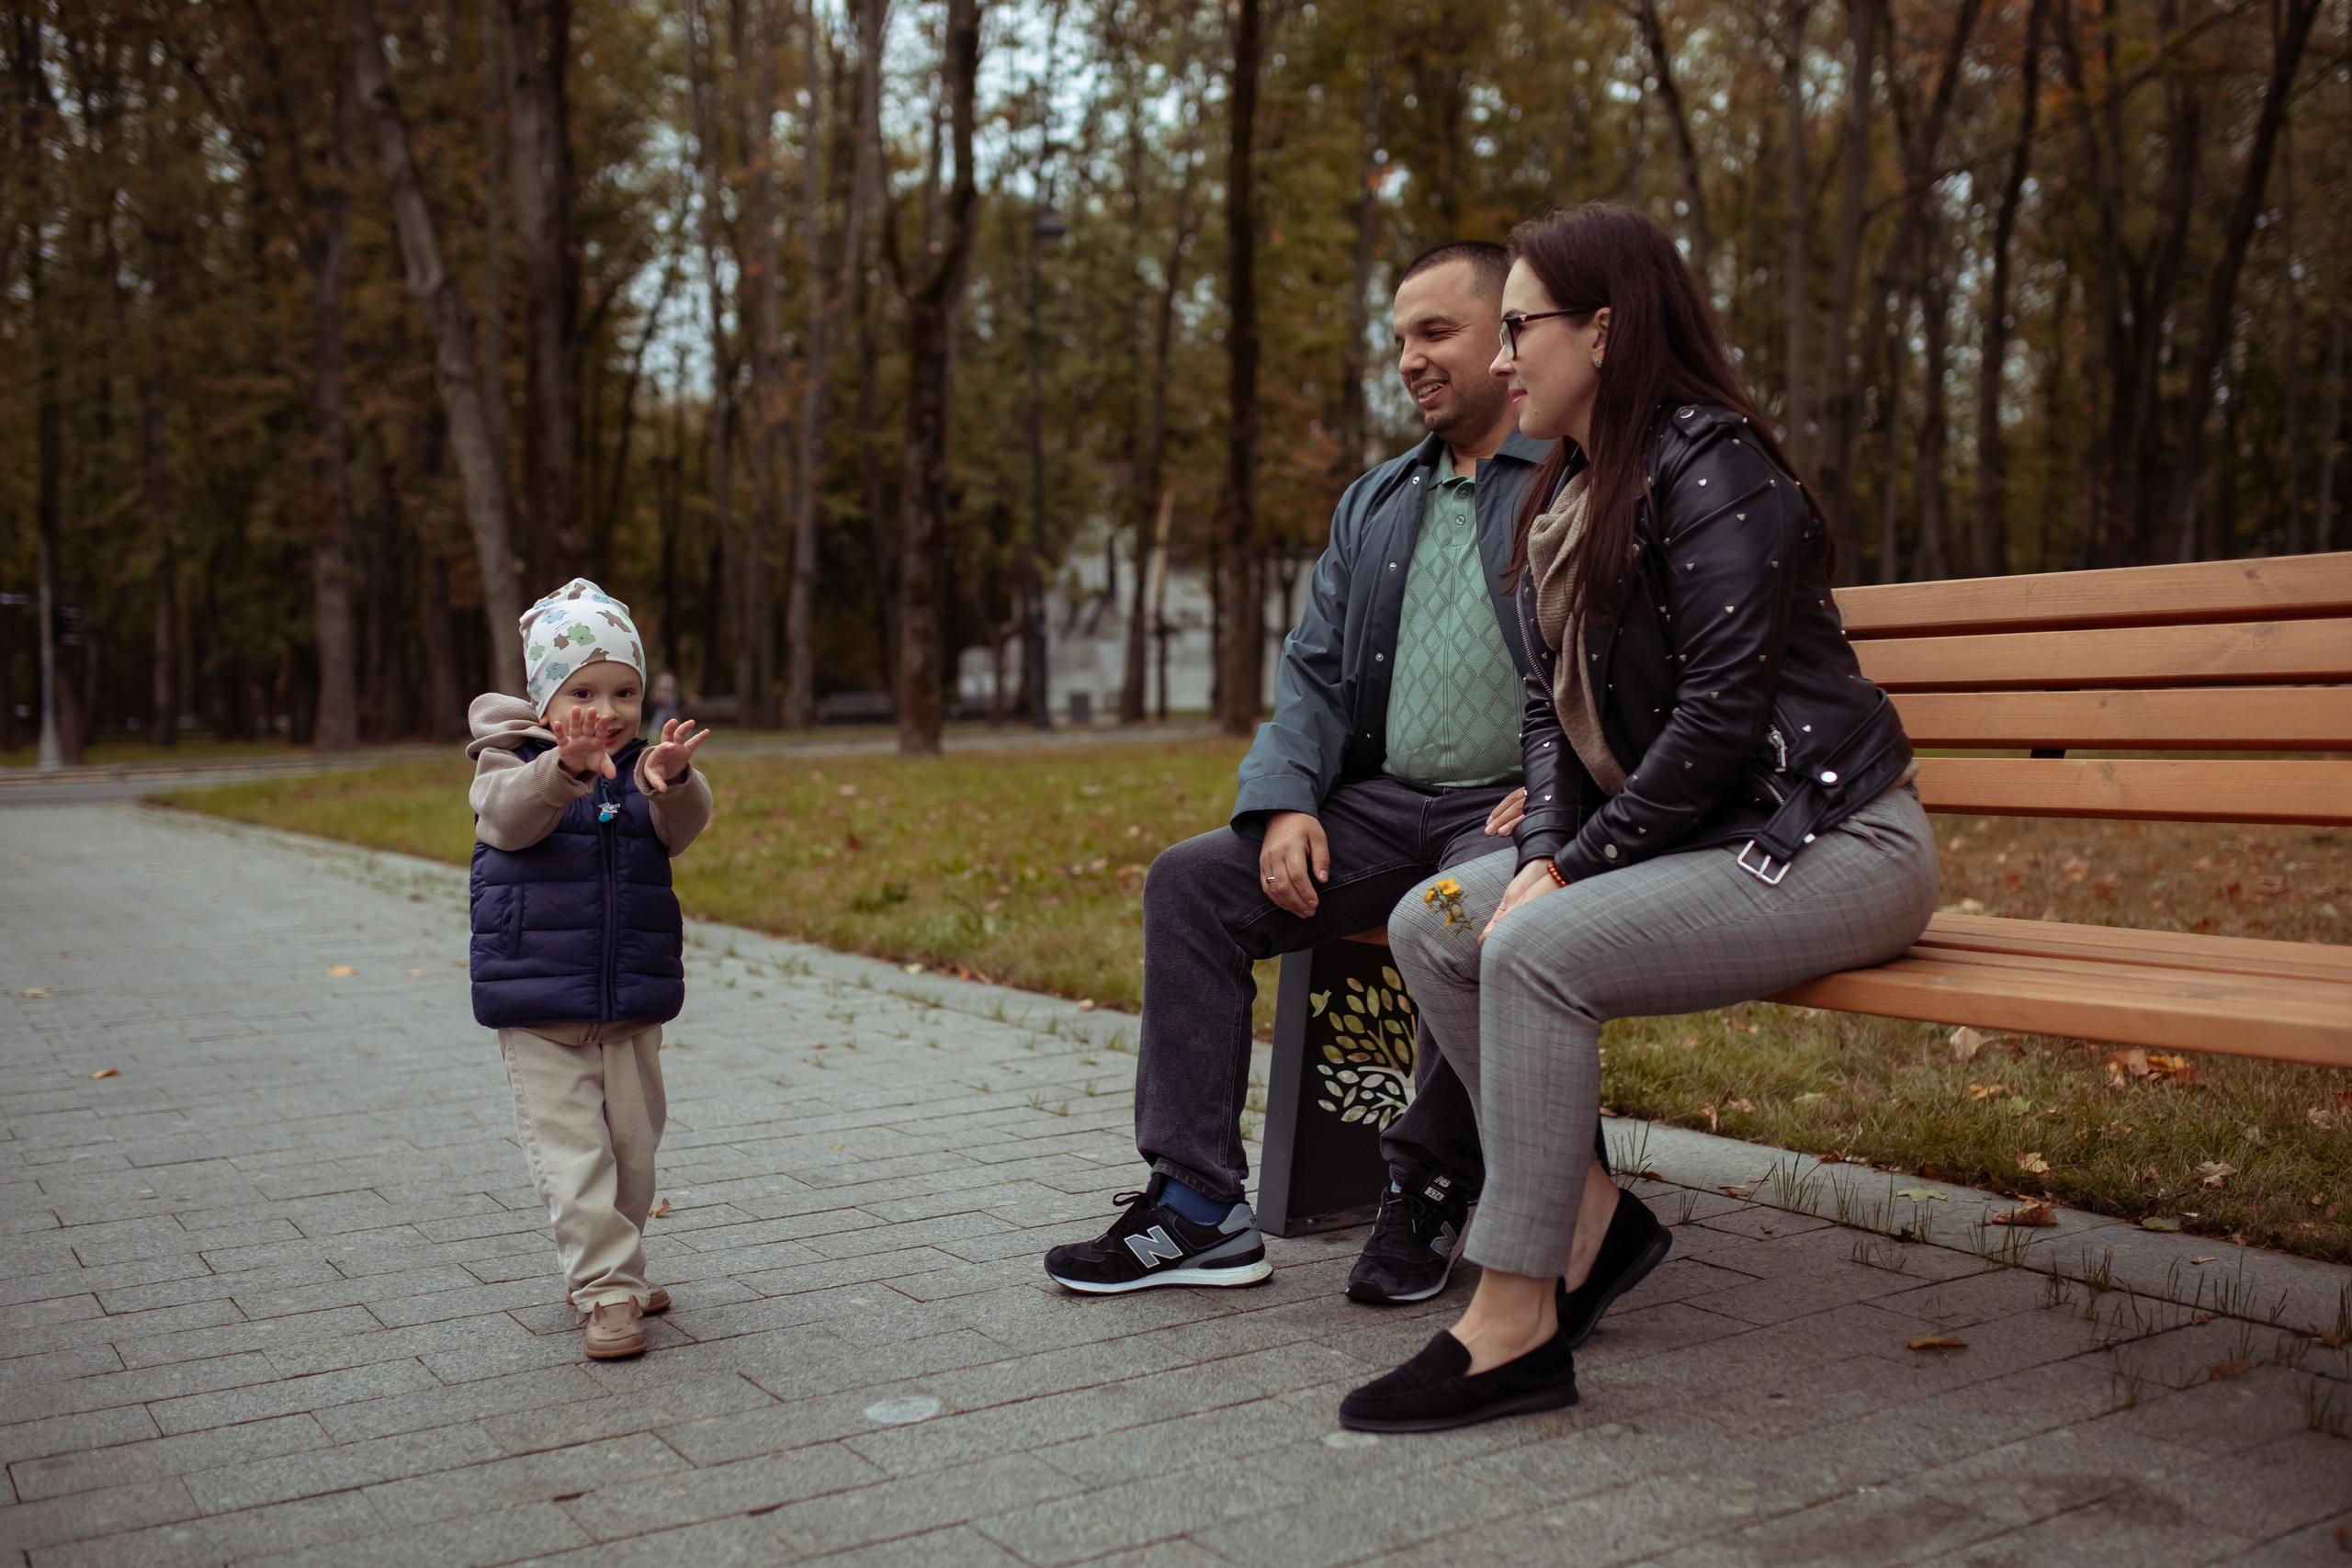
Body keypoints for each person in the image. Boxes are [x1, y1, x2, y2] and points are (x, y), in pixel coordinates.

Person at [1338, 203, 1939, 1433]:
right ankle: (1594, 1223)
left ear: (1604, 331)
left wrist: (1573, 870)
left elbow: (1724, 712)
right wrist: (1550, 846)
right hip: (1704, 832)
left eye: (1521, 327)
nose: (1503, 357)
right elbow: (1551, 712)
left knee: (1533, 942)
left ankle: (1513, 1325)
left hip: (1831, 835)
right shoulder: (1572, 488)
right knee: (1437, 914)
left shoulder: (1712, 465)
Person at [1046, 241, 1595, 1307]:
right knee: (1191, 883)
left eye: (1436, 333)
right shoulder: (1377, 503)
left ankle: (1431, 1182)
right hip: (1383, 805)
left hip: (1509, 812)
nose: (1410, 360)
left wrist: (1570, 791)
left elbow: (1618, 670)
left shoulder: (1573, 480)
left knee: (1457, 915)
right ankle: (1197, 1207)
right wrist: (1287, 802)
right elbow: (1311, 677)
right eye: (1398, 341)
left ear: (1509, 337)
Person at [467, 579, 713, 1359]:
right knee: (576, 1159)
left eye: (623, 691)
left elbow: (681, 830)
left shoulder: (643, 769)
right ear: (544, 699)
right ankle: (606, 1288)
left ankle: (621, 1266)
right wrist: (565, 770)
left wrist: (675, 781)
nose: (604, 710)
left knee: (634, 1159)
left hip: (631, 1001)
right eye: (583, 691)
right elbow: (507, 821)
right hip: (540, 1004)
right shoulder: (511, 765)